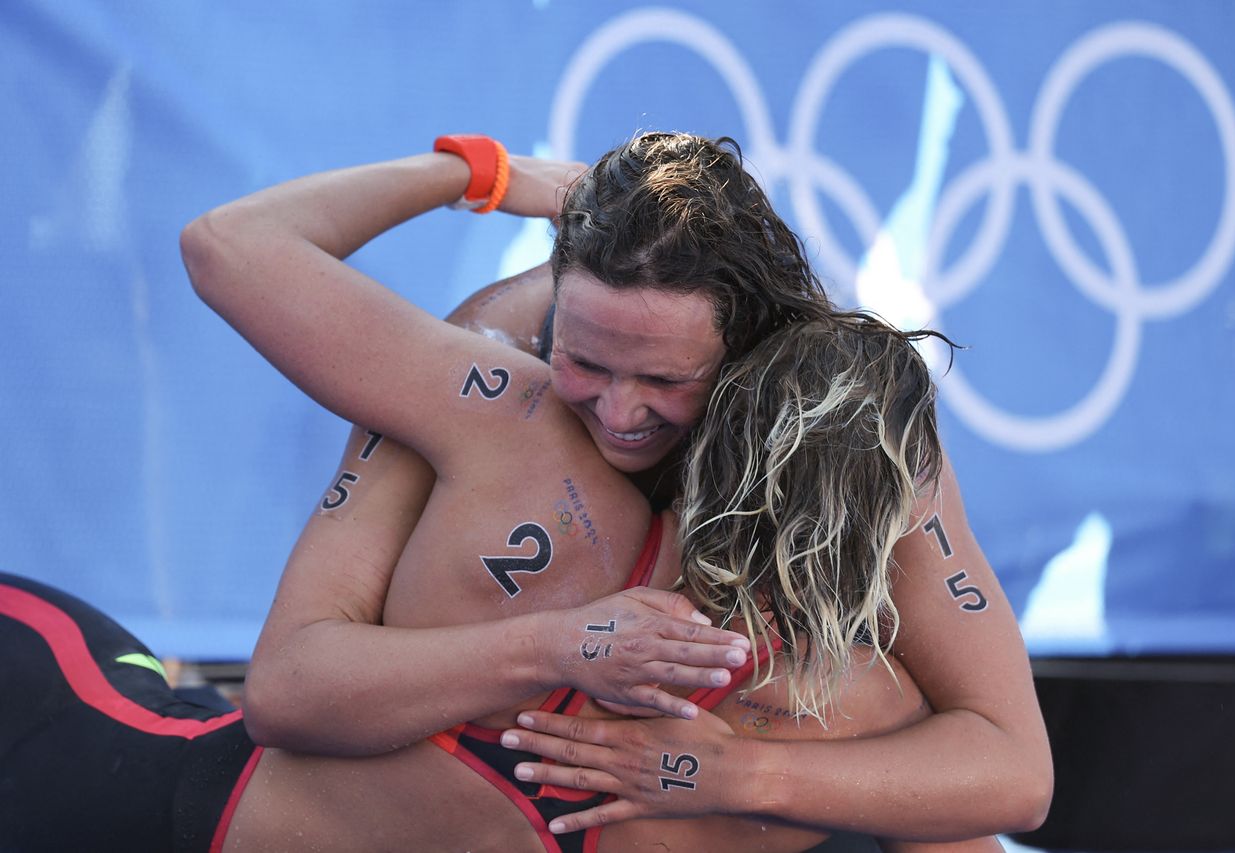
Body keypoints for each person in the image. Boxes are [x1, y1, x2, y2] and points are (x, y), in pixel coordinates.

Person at [182, 131, 1050, 841]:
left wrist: (725, 773)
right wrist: (490, 173)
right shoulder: (501, 367)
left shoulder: (843, 443)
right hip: (342, 774)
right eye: (586, 362)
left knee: (898, 720)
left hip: (705, 782)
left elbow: (1013, 767)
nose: (621, 411)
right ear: (558, 303)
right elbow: (226, 246)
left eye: (667, 382)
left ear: (740, 348)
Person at [2, 246, 993, 847]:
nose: (620, 407)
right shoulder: (881, 722)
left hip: (118, 768)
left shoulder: (553, 485)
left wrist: (509, 196)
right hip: (135, 757)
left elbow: (235, 252)